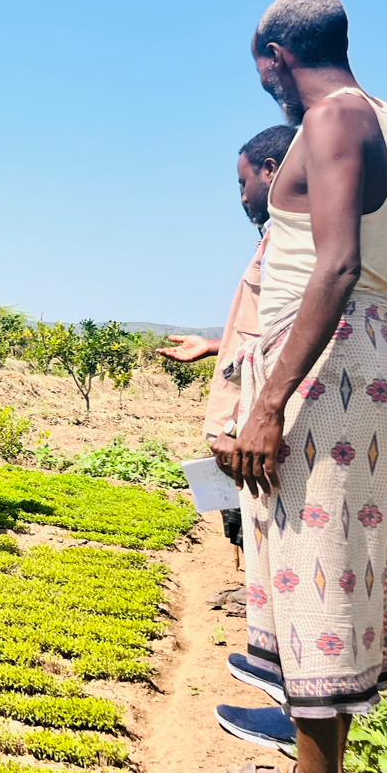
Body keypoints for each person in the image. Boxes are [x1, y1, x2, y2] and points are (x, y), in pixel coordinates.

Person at [216, 0, 387, 773]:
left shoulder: (333, 120)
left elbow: (337, 266)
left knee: (317, 581)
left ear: (275, 55)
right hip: (373, 361)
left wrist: (271, 402)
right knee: (340, 579)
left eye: (263, 70)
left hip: (327, 369)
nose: (267, 86)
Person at [159, 123, 296, 546]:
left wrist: (240, 425)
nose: (241, 196)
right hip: (246, 418)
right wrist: (215, 346)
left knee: (260, 525)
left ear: (270, 170)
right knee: (244, 523)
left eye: (243, 182)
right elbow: (271, 332)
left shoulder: (292, 243)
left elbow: (289, 338)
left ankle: (251, 606)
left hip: (252, 421)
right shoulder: (276, 238)